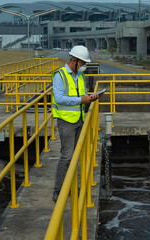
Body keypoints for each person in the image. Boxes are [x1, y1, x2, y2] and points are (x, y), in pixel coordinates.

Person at [52, 45, 100, 202]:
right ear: (75, 60)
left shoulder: (80, 76)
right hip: (66, 121)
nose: (84, 66)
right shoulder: (60, 75)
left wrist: (90, 97)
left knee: (75, 157)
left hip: (80, 119)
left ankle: (72, 186)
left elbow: (83, 94)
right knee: (66, 156)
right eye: (83, 63)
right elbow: (59, 98)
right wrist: (81, 100)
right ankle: (58, 189)